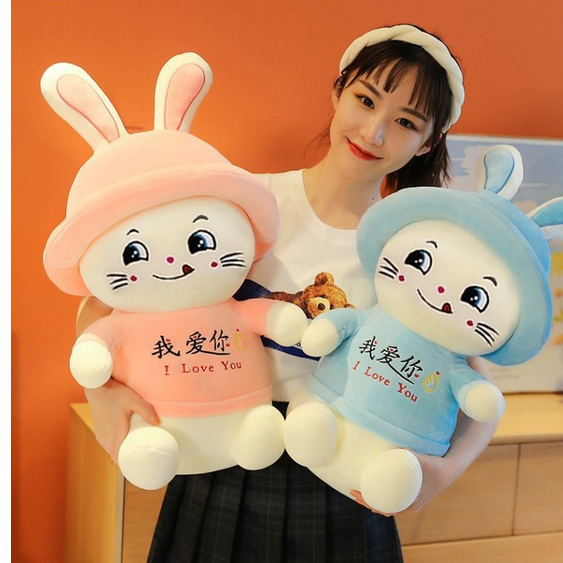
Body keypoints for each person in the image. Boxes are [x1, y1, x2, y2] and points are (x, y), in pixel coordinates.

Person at [81, 24, 499, 563]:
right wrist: (103, 394)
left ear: (428, 142)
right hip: (221, 449)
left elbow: (478, 385)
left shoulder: (413, 252)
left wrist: (443, 473)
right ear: (338, 91)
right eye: (365, 99)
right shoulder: (244, 202)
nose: (373, 131)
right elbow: (103, 305)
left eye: (405, 122)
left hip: (340, 467)